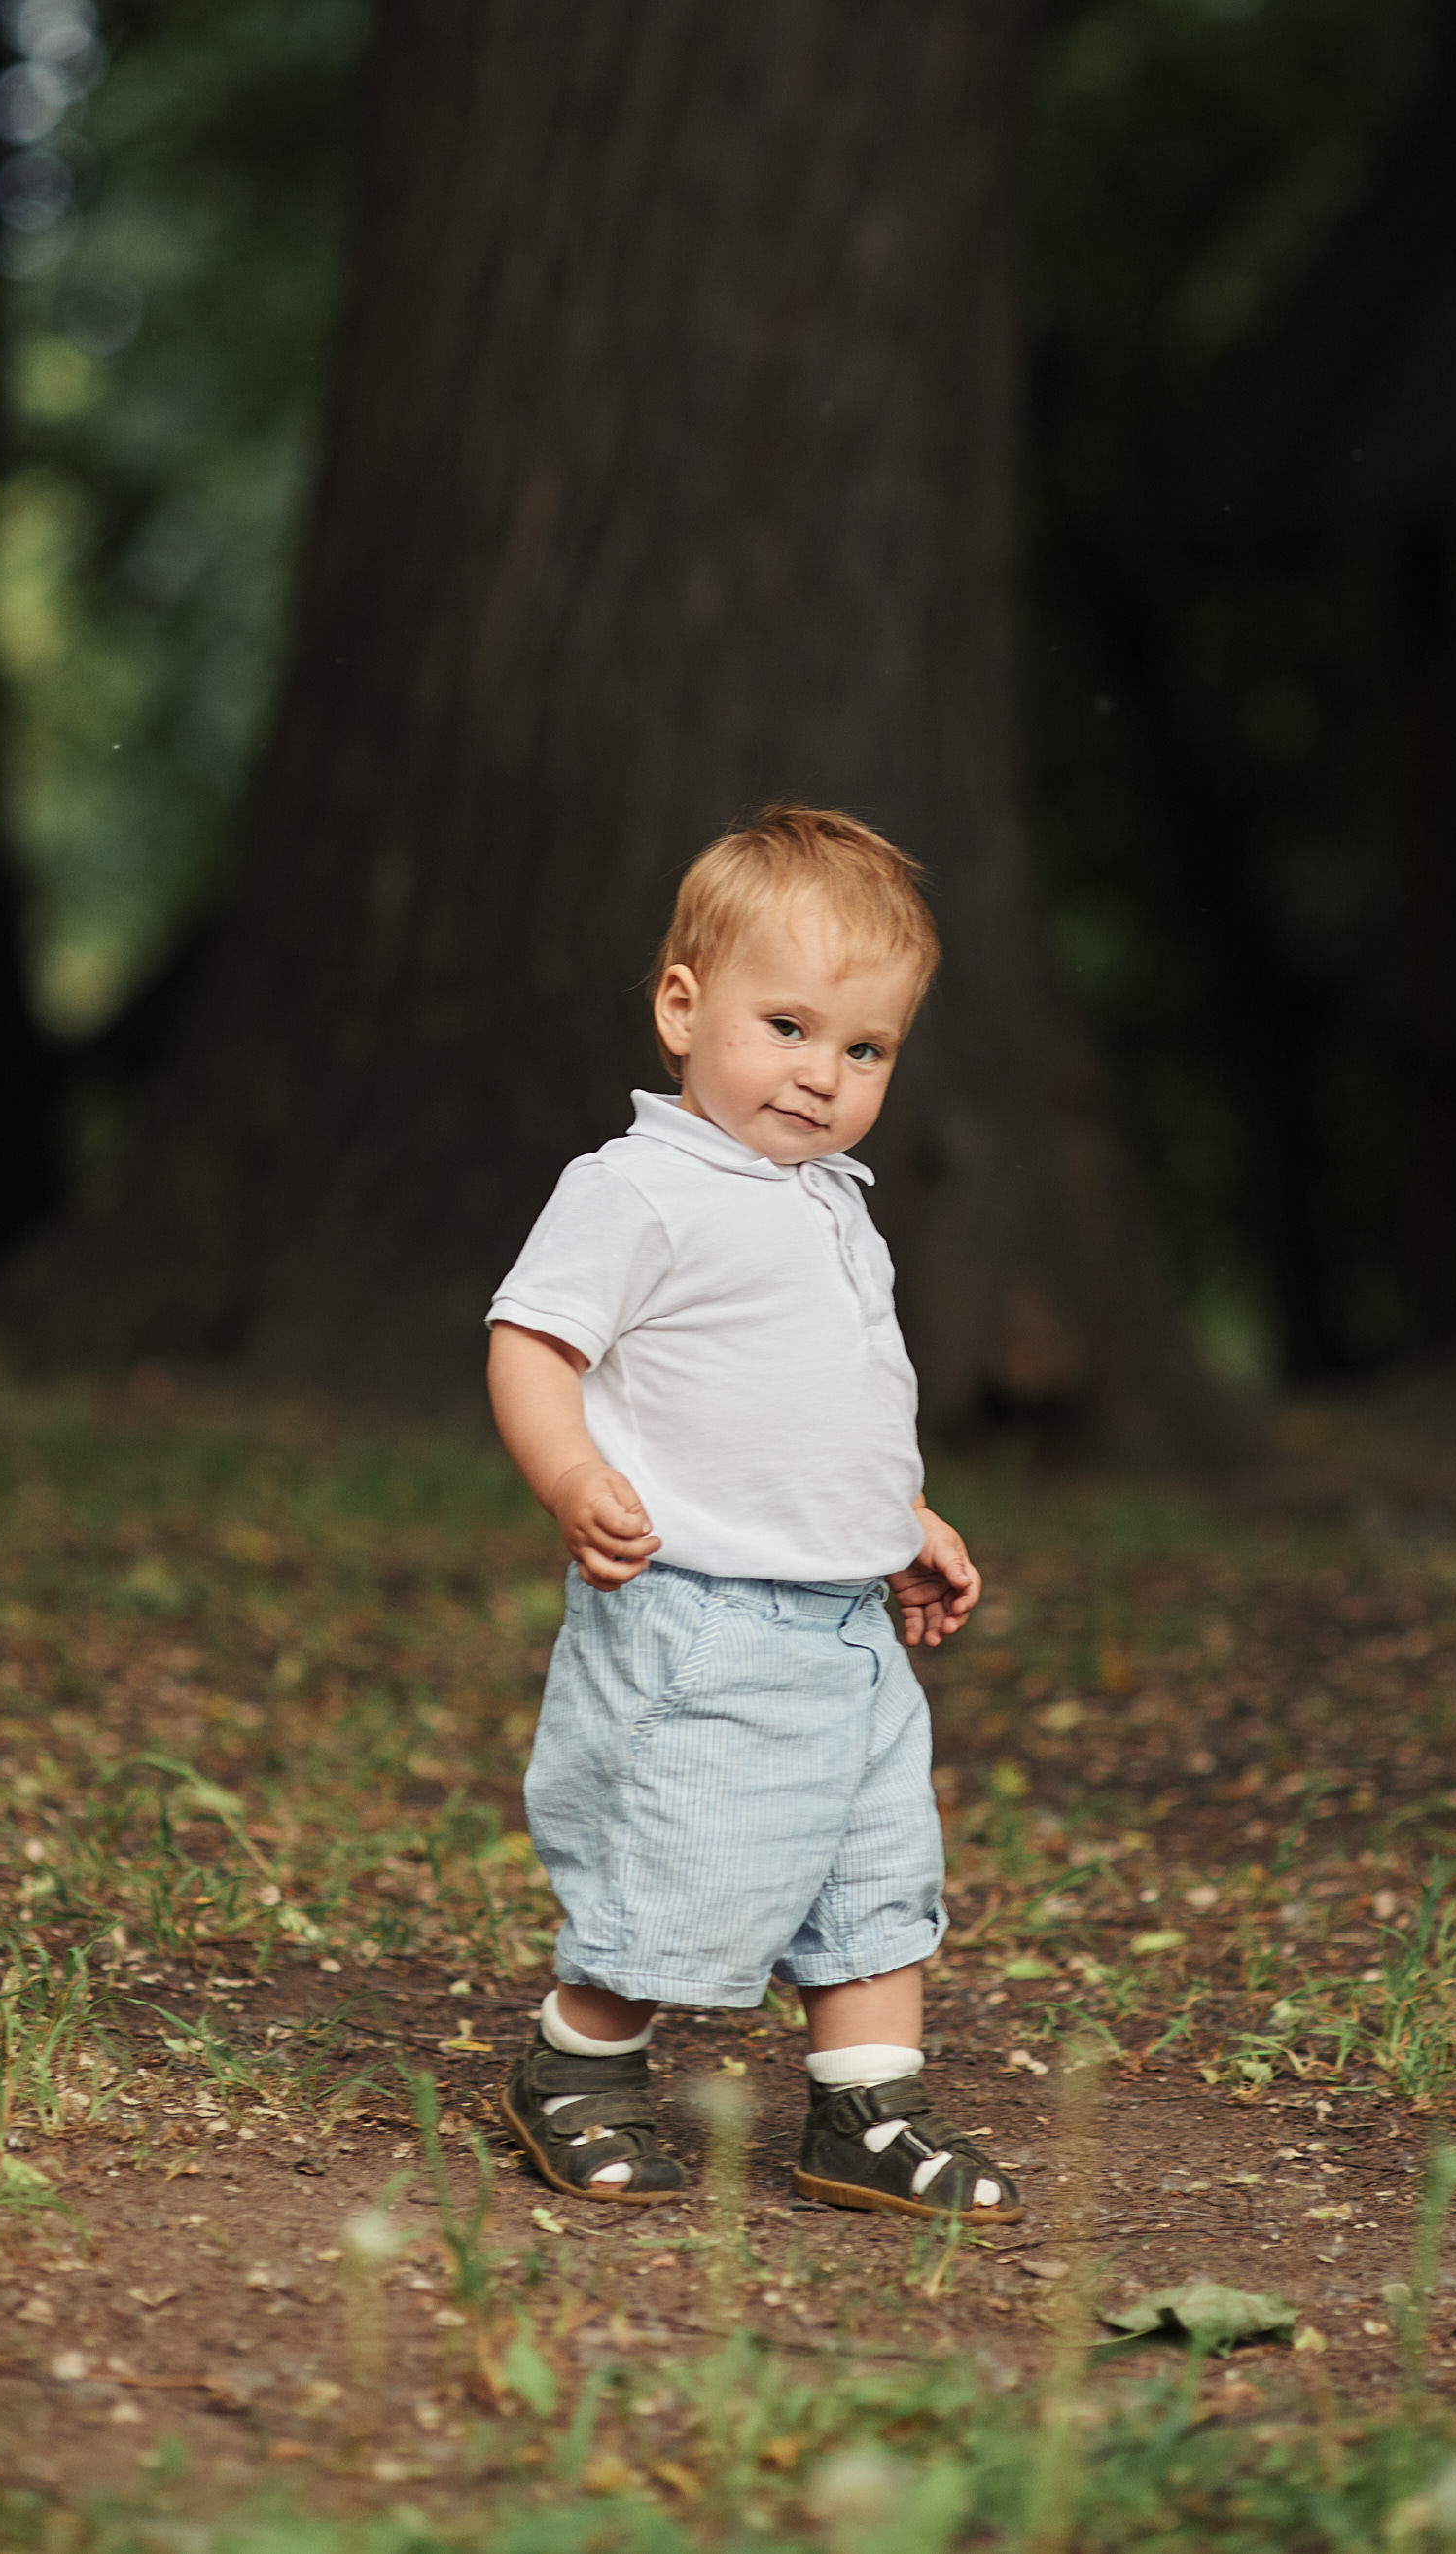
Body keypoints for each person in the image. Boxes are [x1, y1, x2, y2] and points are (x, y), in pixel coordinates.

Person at [484, 802, 1018, 2223]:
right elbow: (532, 1340)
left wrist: (900, 1513)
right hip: (697, 1615)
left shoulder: (831, 1201)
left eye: (863, 1049)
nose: (820, 1075)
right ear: (680, 1005)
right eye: (786, 1025)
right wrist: (569, 1473)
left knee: (873, 1869)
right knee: (680, 1853)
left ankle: (864, 2107)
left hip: (844, 1625)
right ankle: (578, 2066)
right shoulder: (639, 1188)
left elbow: (822, 1404)